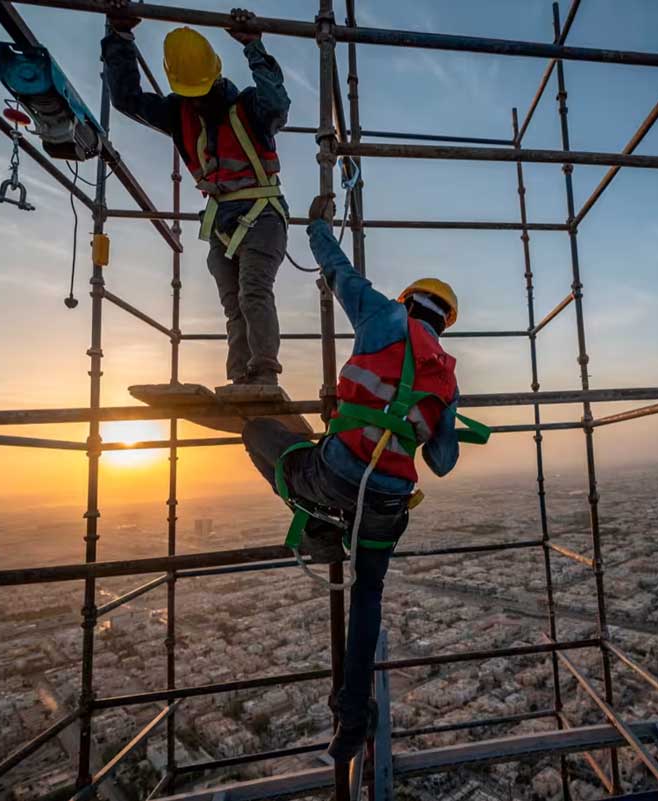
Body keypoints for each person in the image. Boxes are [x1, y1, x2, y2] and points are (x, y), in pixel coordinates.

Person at [241, 194, 465, 761]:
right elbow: (441, 463)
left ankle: (314, 522)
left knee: (263, 438)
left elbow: (337, 269)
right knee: (368, 595)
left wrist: (317, 223)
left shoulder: (381, 315)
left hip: (337, 475)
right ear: (444, 322)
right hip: (389, 498)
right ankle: (351, 723)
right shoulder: (447, 378)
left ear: (407, 300)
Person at [102, 14, 291, 389]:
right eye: (192, 93)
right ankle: (242, 378)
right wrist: (119, 37)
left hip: (262, 215)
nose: (198, 100)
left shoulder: (251, 107)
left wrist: (254, 47)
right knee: (234, 304)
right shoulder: (180, 112)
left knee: (254, 292)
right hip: (221, 218)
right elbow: (127, 99)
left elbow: (278, 102)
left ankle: (265, 374)